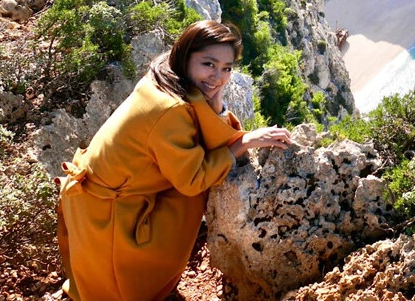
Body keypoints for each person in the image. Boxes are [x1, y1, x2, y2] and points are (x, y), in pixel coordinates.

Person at [56, 20, 291, 301]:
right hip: (110, 218)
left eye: (227, 68)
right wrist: (245, 142)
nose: (218, 77)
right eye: (209, 64)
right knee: (192, 195)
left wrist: (216, 105)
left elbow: (201, 138)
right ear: (186, 56)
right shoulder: (172, 109)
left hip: (94, 205)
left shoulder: (164, 75)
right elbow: (193, 179)